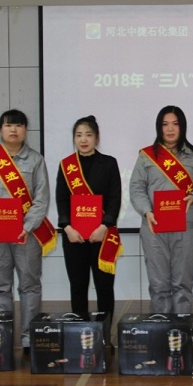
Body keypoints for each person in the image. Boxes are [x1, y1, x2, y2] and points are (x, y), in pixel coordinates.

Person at [0, 109, 56, 355]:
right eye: (8, 125)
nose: (13, 130)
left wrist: (27, 226)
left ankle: (29, 338)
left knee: (30, 286)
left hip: (26, 236)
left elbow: (42, 198)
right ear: (1, 129)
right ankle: (3, 338)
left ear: (25, 130)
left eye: (18, 125)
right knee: (0, 286)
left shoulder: (36, 160)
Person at [129, 106, 193, 313]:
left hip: (186, 227)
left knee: (183, 284)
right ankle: (162, 326)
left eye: (175, 124)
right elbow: (136, 188)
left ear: (182, 127)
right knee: (159, 285)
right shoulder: (147, 156)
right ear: (159, 127)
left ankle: (182, 328)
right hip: (154, 226)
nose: (170, 129)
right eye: (165, 124)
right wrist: (147, 211)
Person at [56, 116, 122, 317]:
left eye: (88, 135)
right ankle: (79, 329)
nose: (83, 140)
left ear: (96, 138)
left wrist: (104, 226)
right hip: (74, 237)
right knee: (78, 286)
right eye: (78, 135)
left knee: (104, 287)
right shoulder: (66, 165)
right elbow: (61, 199)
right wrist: (67, 228)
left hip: (102, 235)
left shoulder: (109, 163)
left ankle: (104, 330)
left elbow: (115, 198)